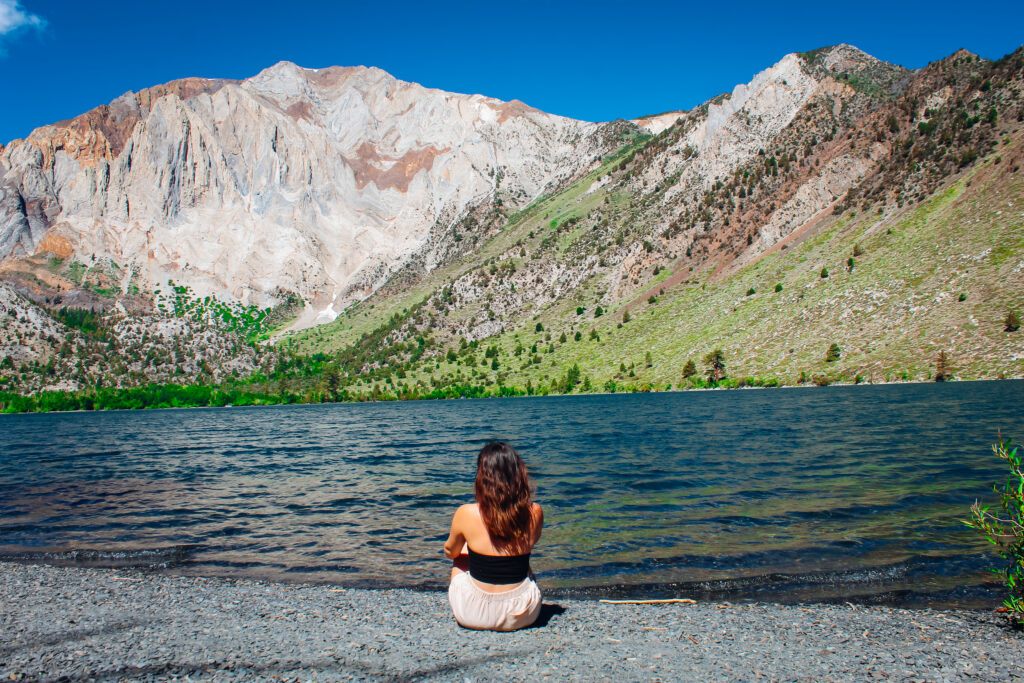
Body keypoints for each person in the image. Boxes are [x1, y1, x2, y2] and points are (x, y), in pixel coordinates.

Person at [444, 441, 544, 631]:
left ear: (482, 477)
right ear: (518, 474)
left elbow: (450, 552)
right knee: (521, 559)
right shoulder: (535, 512)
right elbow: (530, 544)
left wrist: (467, 546)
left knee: (462, 551)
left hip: (471, 613)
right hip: (523, 613)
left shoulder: (466, 513)